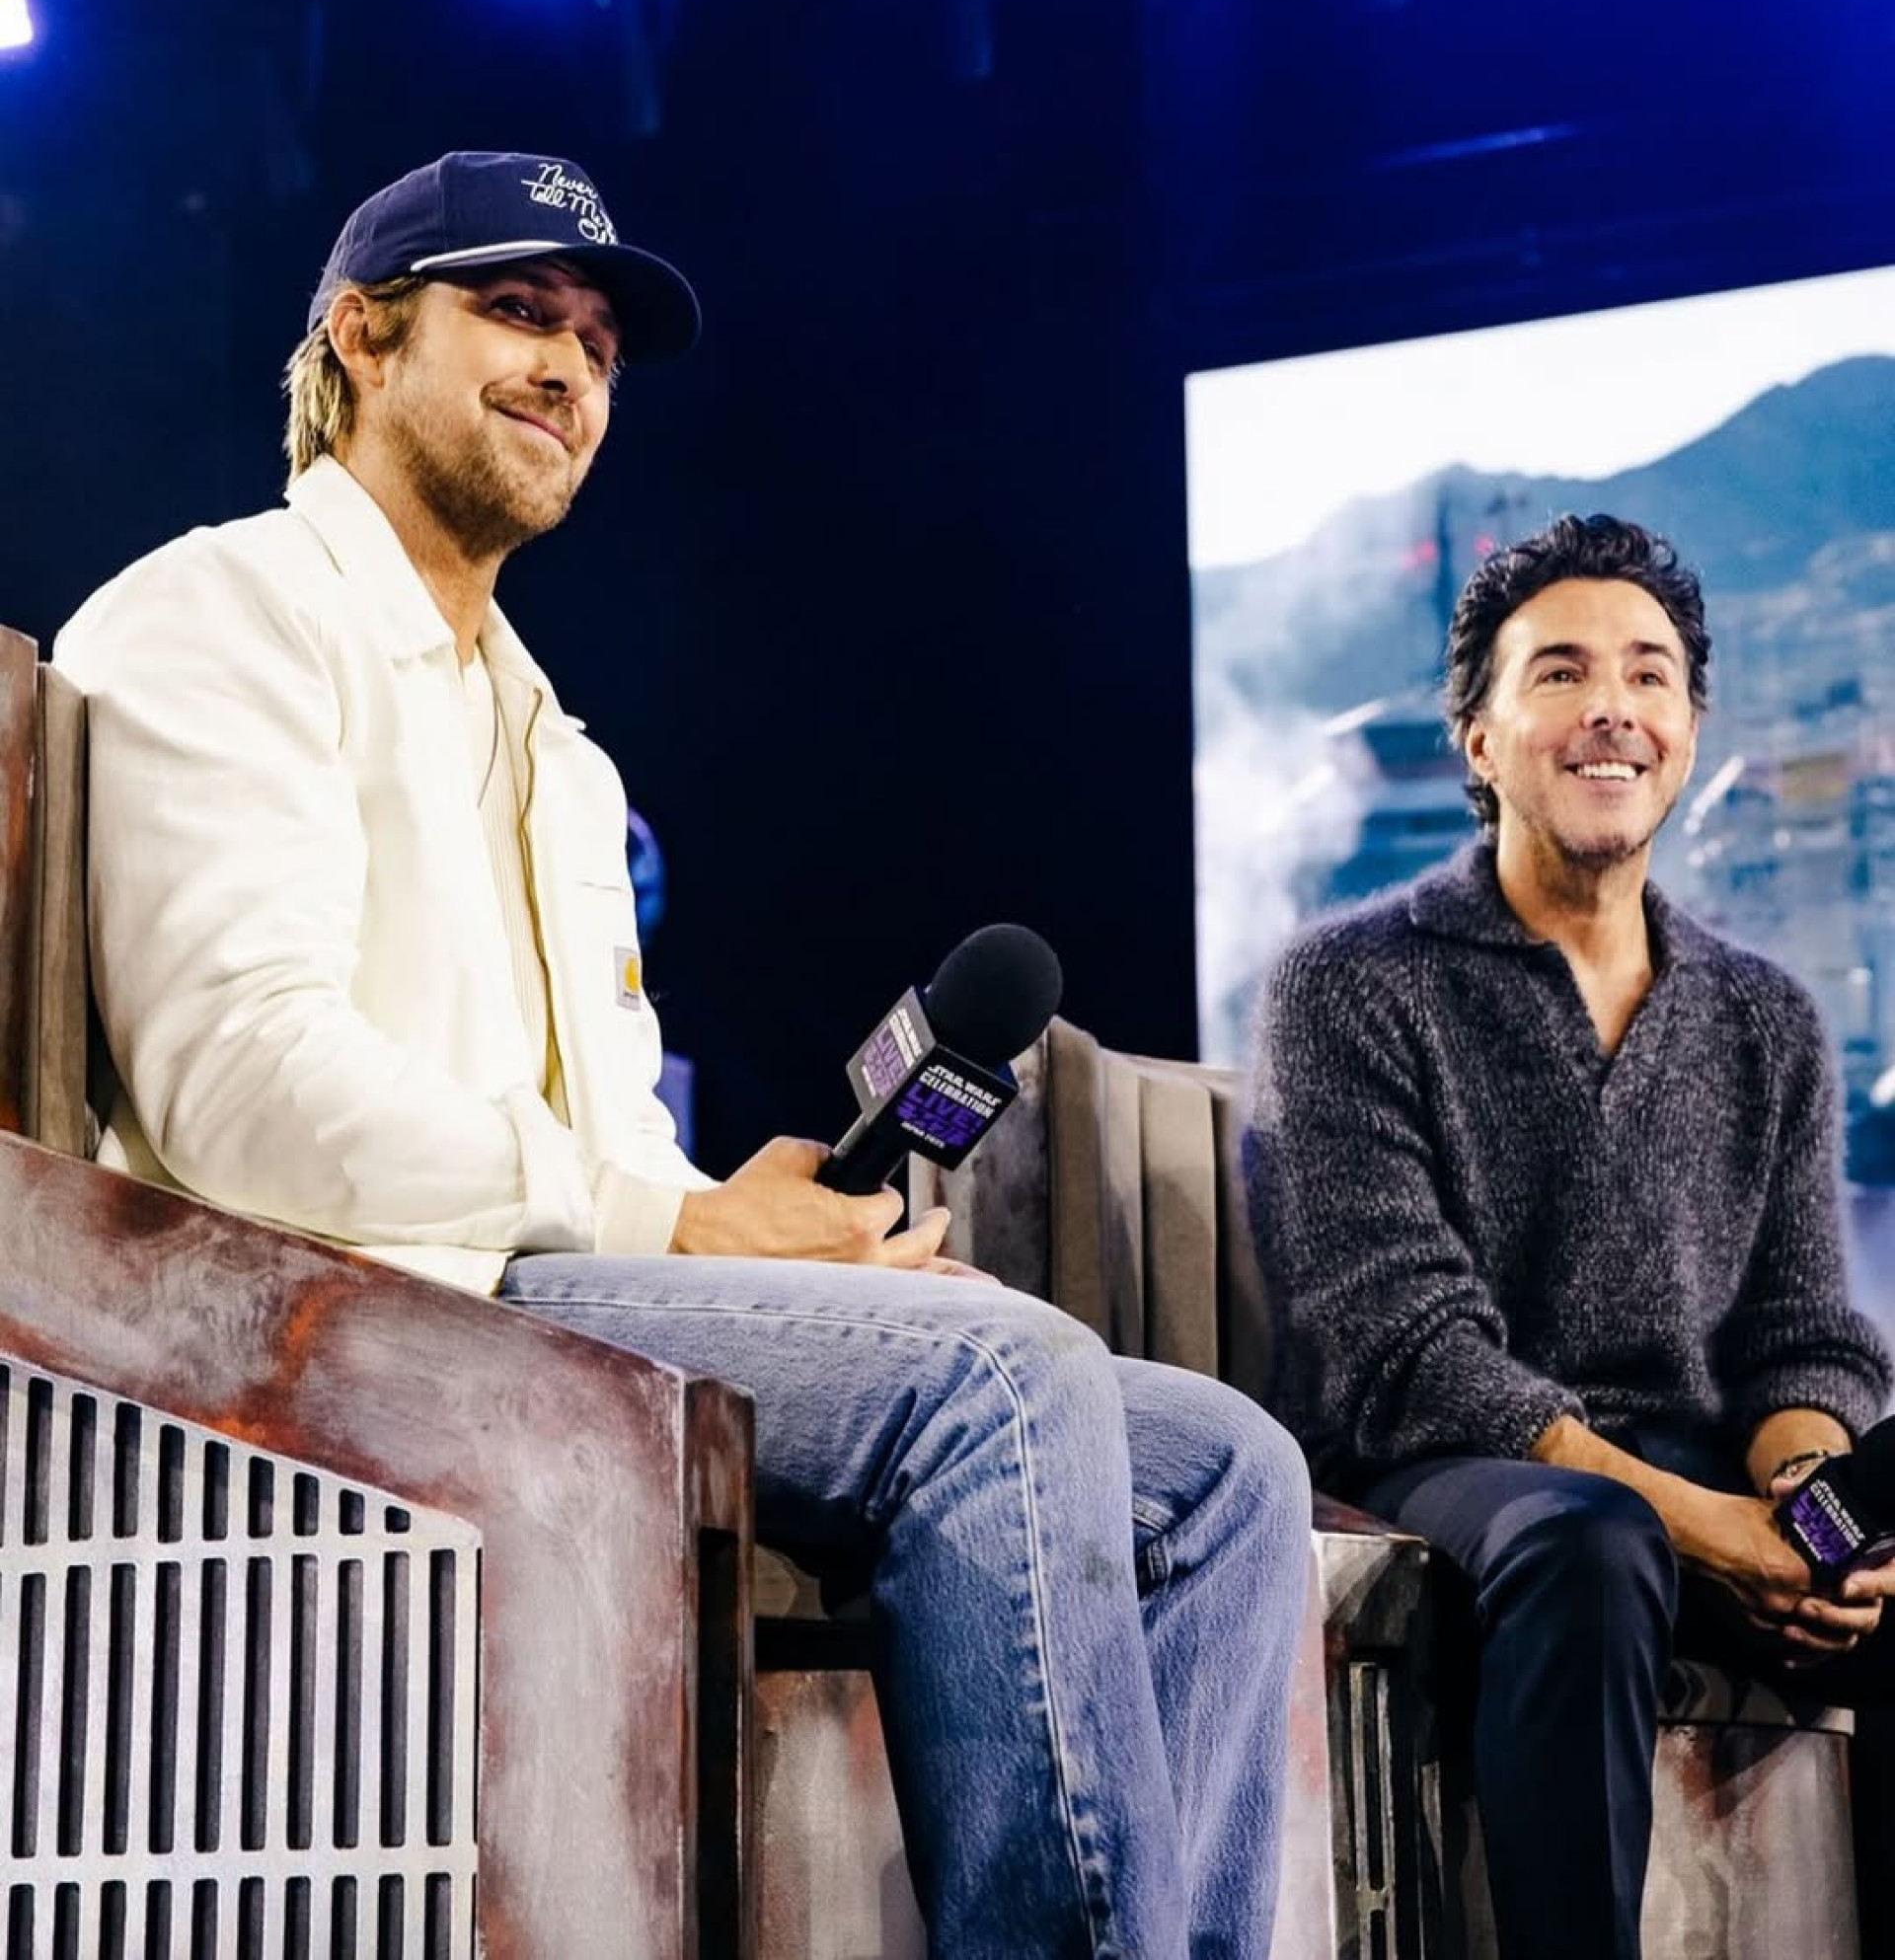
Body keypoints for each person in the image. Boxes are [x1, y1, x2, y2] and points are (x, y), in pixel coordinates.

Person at [55, 149, 1310, 1959]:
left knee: (1225, 1464)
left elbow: (612, 1154)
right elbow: (241, 1092)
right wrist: (664, 1230)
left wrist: (734, 1210)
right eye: (516, 312)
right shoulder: (219, 615)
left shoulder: (560, 748)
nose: (573, 369)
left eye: (599, 343)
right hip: (319, 1319)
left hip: (533, 1288)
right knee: (1006, 1379)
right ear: (359, 339)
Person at [1249, 511, 1895, 1960]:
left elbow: (1803, 1337)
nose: (1614, 705)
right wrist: (1706, 1529)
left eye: (1651, 675)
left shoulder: (1768, 1017)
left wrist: (1809, 1510)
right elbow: (1411, 1347)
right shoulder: (1349, 986)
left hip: (1691, 1475)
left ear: (1688, 724)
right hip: (1444, 1470)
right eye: (1560, 674)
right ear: (1479, 741)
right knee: (1596, 1549)